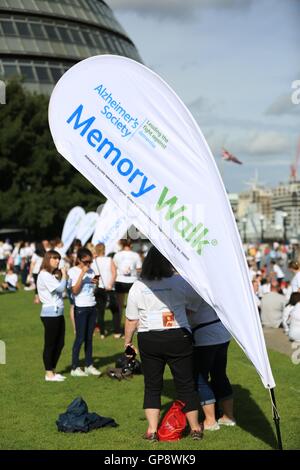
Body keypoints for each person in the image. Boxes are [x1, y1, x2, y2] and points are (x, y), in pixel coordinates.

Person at [124, 247, 203, 441]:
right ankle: (195, 429)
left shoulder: (138, 286)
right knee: (186, 384)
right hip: (178, 336)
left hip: (149, 338)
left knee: (152, 386)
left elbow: (131, 320)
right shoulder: (180, 282)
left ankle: (152, 430)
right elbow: (195, 304)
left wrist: (127, 342)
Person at [187, 296, 235, 431]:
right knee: (219, 374)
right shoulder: (215, 284)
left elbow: (188, 311)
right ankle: (228, 417)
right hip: (222, 332)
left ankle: (210, 421)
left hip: (206, 335)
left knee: (201, 378)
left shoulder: (198, 287)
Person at [68, 248, 101, 377]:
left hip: (92, 306)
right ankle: (74, 367)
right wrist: (82, 274)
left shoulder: (92, 270)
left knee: (89, 338)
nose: (88, 264)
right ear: (79, 260)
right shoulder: (73, 271)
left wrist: (95, 282)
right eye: (86, 262)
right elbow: (74, 291)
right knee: (80, 338)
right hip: (80, 308)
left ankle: (89, 365)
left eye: (90, 262)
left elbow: (92, 289)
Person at [37, 250, 67, 382]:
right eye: (54, 258)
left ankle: (53, 370)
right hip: (50, 314)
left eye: (58, 259)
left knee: (60, 343)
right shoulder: (44, 275)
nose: (57, 261)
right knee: (50, 344)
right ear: (48, 259)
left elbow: (64, 287)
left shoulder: (51, 275)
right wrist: (64, 275)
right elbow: (61, 289)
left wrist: (63, 277)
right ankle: (48, 373)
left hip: (58, 313)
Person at [92, 243, 120, 338]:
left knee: (100, 312)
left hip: (99, 288)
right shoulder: (109, 259)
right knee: (115, 311)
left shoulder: (94, 262)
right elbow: (114, 273)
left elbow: (93, 277)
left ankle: (102, 333)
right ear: (104, 250)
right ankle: (117, 332)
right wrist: (110, 284)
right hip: (109, 288)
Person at [113, 239, 142, 332]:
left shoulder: (117, 255)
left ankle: (117, 330)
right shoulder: (135, 255)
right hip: (132, 282)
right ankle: (137, 328)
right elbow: (139, 269)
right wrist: (132, 270)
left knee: (119, 306)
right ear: (131, 245)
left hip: (120, 281)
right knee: (135, 306)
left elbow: (113, 268)